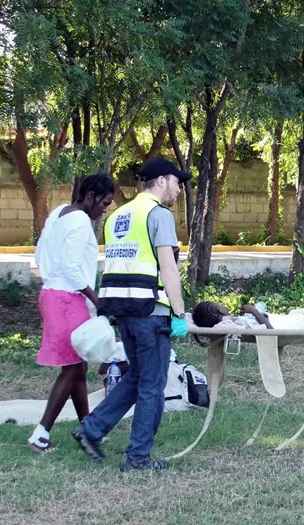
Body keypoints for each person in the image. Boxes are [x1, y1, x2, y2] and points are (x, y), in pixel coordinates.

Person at [72, 158, 191, 472]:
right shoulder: (158, 215)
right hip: (151, 311)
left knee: (137, 377)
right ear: (162, 180)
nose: (179, 190)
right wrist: (180, 312)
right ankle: (138, 457)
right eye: (177, 182)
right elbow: (167, 267)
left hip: (123, 311)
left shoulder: (118, 216)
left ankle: (91, 429)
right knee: (152, 384)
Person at [28, 174, 115, 454]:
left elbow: (41, 253)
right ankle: (41, 434)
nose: (105, 208)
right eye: (104, 202)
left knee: (78, 365)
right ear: (90, 195)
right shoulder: (80, 221)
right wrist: (96, 298)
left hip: (53, 294)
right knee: (73, 367)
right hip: (68, 298)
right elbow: (72, 266)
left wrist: (51, 281)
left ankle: (88, 427)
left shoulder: (58, 214)